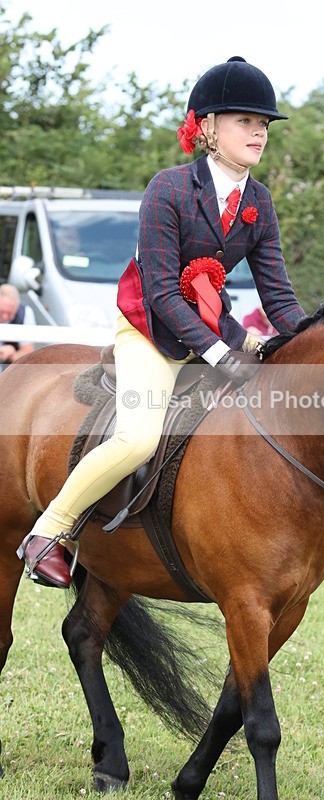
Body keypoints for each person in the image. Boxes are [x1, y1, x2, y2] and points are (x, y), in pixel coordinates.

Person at [17, 56, 307, 589]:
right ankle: (48, 532)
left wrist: (316, 342)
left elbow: (280, 297)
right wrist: (219, 353)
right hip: (150, 332)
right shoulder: (168, 188)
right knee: (137, 438)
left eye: (264, 124)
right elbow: (161, 292)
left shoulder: (259, 202)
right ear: (208, 128)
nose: (259, 133)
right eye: (245, 121)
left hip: (216, 332)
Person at [0, 283, 36, 367]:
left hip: (9, 367)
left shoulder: (25, 313)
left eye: (10, 313)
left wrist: (11, 355)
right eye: (1, 311)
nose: (5, 317)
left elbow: (27, 353)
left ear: (16, 307)